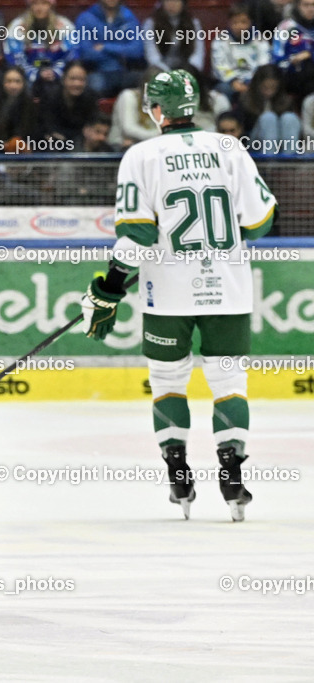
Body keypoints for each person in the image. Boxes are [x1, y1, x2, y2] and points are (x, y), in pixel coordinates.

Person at [81, 69, 277, 523]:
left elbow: (137, 237)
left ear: (155, 109)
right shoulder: (229, 148)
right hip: (229, 288)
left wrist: (110, 287)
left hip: (167, 294)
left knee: (169, 383)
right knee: (229, 383)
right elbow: (261, 220)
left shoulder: (141, 155)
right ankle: (231, 474)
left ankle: (179, 475)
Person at [3, 0, 76, 98]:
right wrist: (35, 74)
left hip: (56, 74)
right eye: (35, 3)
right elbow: (15, 58)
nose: (39, 7)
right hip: (27, 76)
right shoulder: (17, 26)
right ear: (30, 6)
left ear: (51, 5)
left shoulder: (64, 25)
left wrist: (55, 72)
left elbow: (71, 55)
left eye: (44, 3)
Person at [75, 0, 146, 97]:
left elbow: (137, 50)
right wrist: (122, 51)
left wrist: (105, 47)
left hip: (124, 71)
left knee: (146, 81)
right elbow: (87, 54)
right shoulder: (86, 18)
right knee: (95, 84)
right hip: (98, 71)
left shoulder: (129, 17)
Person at [211, 4, 272, 101]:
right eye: (235, 22)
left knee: (265, 88)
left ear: (250, 22)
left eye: (243, 22)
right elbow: (220, 66)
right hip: (230, 82)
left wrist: (251, 82)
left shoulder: (260, 40)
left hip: (255, 82)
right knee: (223, 89)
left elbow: (264, 64)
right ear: (229, 23)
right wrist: (233, 81)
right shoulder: (220, 40)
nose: (239, 26)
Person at [234, 64, 302, 149]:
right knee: (268, 118)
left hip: (281, 141)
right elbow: (240, 130)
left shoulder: (286, 101)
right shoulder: (245, 99)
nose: (269, 92)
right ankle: (270, 159)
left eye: (273, 88)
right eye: (265, 88)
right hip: (254, 143)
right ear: (257, 85)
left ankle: (290, 157)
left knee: (290, 118)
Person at [39, 60, 100, 142]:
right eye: (72, 79)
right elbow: (48, 127)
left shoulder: (91, 97)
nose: (77, 84)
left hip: (81, 142)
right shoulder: (49, 96)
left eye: (81, 79)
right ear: (64, 79)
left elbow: (90, 127)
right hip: (54, 143)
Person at [0, 65, 39, 149]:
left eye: (17, 81)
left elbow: (33, 132)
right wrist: (1, 145)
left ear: (23, 83)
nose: (13, 86)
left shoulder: (29, 103)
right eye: (9, 81)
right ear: (2, 83)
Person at [109, 66, 163, 150]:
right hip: (120, 147)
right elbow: (129, 129)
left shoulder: (163, 102)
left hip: (151, 146)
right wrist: (161, 135)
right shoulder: (128, 96)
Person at [142, 0, 205, 73]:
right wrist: (168, 74)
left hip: (186, 69)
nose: (172, 4)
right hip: (160, 68)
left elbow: (198, 52)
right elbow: (152, 54)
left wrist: (190, 70)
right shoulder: (151, 23)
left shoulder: (193, 23)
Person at [272, 0, 314, 99]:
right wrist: (293, 59)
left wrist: (309, 54)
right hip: (293, 74)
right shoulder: (286, 27)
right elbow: (277, 56)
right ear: (298, 6)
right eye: (306, 5)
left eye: (313, 5)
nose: (310, 9)